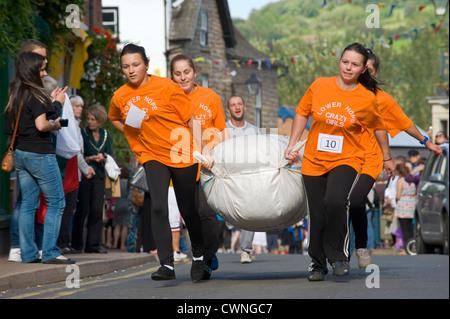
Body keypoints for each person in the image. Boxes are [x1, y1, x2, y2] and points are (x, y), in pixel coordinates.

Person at [285, 43, 396, 281]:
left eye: (355, 64)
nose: (348, 67)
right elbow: (302, 112)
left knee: (335, 201)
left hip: (347, 158)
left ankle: (338, 256)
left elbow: (379, 128)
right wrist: (292, 145)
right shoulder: (319, 85)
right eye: (345, 62)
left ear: (363, 69)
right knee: (317, 213)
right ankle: (317, 264)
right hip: (314, 159)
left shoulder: (366, 98)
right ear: (340, 60)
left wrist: (387, 158)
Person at [108, 43, 211, 281]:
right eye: (126, 66)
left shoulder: (166, 87)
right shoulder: (121, 95)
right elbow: (114, 117)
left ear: (146, 64)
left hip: (180, 152)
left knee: (188, 209)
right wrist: (132, 133)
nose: (131, 70)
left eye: (136, 65)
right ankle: (167, 264)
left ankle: (198, 255)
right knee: (157, 205)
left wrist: (204, 151)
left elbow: (192, 119)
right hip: (151, 154)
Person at [348, 49, 442, 268]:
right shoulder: (343, 92)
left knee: (355, 201)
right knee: (335, 203)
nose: (364, 73)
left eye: (368, 69)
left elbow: (405, 122)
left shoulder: (382, 100)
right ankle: (337, 254)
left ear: (374, 71)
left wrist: (426, 142)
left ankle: (361, 246)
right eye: (360, 68)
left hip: (369, 159)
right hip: (342, 157)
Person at [4, 52, 74, 264]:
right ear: (32, 71)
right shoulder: (35, 94)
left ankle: (28, 253)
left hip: (21, 154)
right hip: (40, 154)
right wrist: (58, 106)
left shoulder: (16, 94)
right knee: (57, 202)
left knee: (28, 204)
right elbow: (42, 124)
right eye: (42, 69)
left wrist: (52, 104)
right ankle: (51, 252)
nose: (44, 73)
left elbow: (22, 123)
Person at [169, 53, 228, 278]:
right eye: (178, 73)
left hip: (210, 164)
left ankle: (207, 256)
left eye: (187, 72)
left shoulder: (210, 96)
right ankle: (202, 256)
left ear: (194, 73)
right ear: (172, 76)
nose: (183, 77)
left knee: (207, 213)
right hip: (183, 165)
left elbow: (221, 130)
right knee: (191, 215)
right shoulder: (169, 99)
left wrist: (224, 157)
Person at [71, 104, 112, 254]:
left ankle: (93, 245)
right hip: (85, 174)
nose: (89, 122)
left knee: (96, 210)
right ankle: (76, 244)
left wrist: (104, 157)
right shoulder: (82, 133)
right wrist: (90, 158)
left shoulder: (106, 135)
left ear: (100, 120)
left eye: (92, 119)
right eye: (88, 119)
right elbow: (79, 153)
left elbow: (110, 153)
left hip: (99, 176)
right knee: (82, 210)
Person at [225, 96, 259, 263]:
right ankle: (230, 220)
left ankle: (246, 250)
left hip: (249, 179)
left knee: (250, 212)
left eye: (239, 104)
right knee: (232, 216)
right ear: (228, 110)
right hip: (229, 180)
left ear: (244, 107)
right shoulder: (222, 130)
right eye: (233, 105)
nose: (237, 107)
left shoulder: (254, 130)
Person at [394, 162, 416, 247]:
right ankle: (412, 245)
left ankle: (407, 246)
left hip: (403, 206)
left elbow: (398, 195)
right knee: (410, 228)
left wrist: (396, 200)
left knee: (404, 228)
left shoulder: (401, 180)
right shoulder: (412, 180)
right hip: (411, 205)